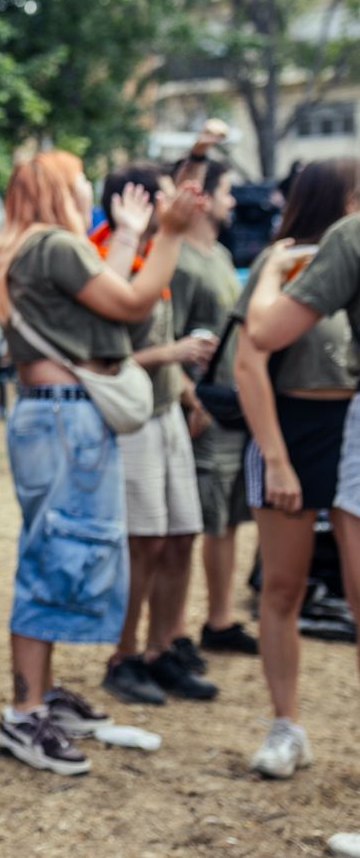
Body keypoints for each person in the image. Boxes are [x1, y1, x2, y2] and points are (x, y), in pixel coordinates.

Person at [0, 150, 202, 775]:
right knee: (52, 553)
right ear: (57, 191)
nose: (88, 193)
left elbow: (100, 313)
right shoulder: (54, 245)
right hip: (64, 416)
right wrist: (172, 232)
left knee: (57, 547)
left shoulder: (31, 247)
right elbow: (131, 304)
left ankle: (39, 697)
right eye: (80, 183)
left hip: (52, 413)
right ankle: (24, 713)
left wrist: (131, 234)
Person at [235, 158, 360, 780]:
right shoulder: (280, 262)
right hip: (288, 430)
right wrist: (279, 460)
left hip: (350, 430)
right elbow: (247, 361)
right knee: (282, 587)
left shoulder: (349, 256)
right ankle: (286, 726)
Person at [93, 165, 219, 706]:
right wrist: (173, 354)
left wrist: (189, 395)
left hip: (167, 410)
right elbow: (101, 359)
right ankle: (122, 657)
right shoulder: (107, 260)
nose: (174, 202)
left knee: (183, 533)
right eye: (164, 193)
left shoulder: (157, 254)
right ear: (138, 200)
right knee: (144, 541)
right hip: (135, 419)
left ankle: (160, 649)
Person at [167, 155, 259, 657]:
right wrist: (190, 397)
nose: (232, 201)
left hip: (228, 406)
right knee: (195, 522)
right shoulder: (179, 260)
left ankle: (219, 619)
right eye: (225, 191)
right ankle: (176, 631)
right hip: (201, 409)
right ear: (202, 197)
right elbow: (168, 336)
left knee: (225, 517)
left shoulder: (219, 256)